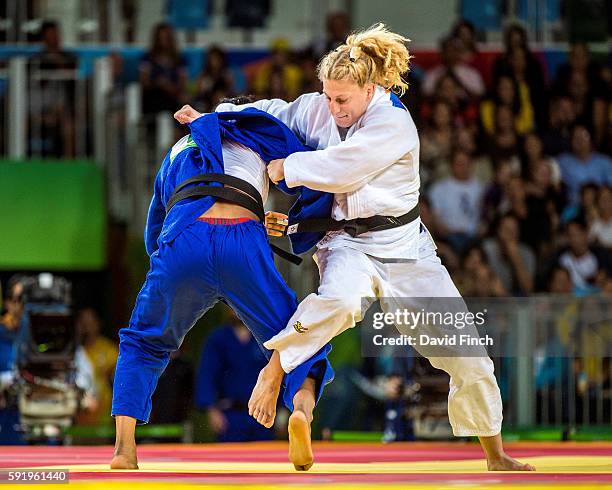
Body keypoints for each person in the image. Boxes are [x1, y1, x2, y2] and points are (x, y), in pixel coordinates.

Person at [177, 23, 534, 471]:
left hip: (406, 250)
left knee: (467, 352)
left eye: (342, 99)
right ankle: (273, 370)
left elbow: (346, 167)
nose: (333, 107)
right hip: (346, 242)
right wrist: (215, 116)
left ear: (370, 88)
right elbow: (273, 114)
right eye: (327, 96)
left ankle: (496, 455)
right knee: (342, 300)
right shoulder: (322, 107)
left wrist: (289, 166)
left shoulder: (393, 123)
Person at [111, 99, 334, 471]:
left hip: (184, 233)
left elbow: (156, 228)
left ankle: (124, 448)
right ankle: (301, 414)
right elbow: (311, 180)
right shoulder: (256, 134)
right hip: (243, 236)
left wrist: (168, 280)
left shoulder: (178, 148)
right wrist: (298, 223)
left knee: (144, 340)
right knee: (301, 338)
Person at [195, 309, 275, 442]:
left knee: (263, 457)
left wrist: (283, 409)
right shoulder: (218, 339)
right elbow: (207, 375)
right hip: (229, 415)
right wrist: (211, 409)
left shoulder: (265, 338)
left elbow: (277, 374)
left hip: (263, 412)